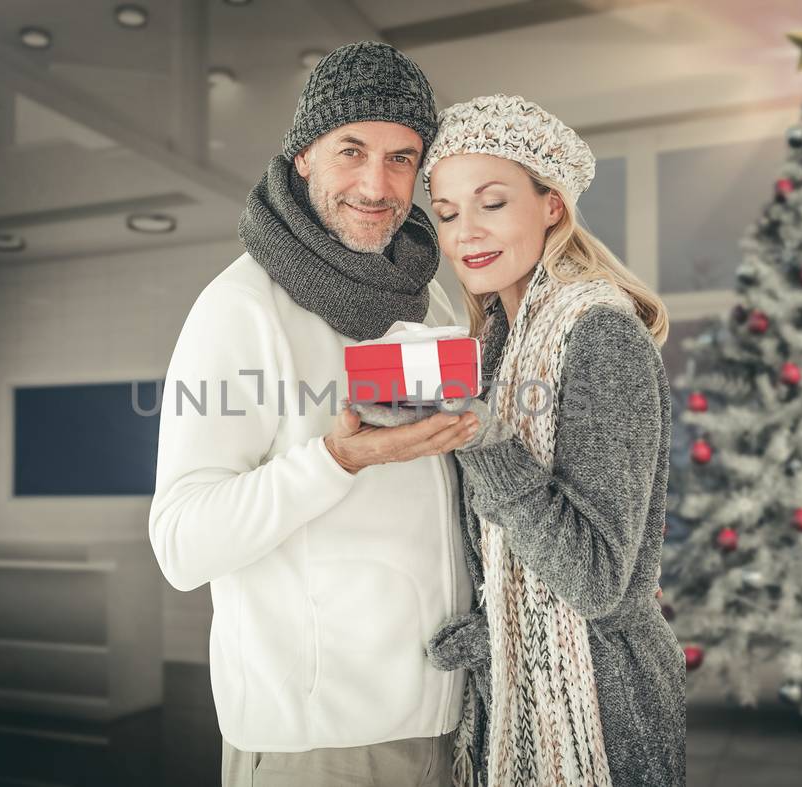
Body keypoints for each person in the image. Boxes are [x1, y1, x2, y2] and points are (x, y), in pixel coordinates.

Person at [147, 42, 482, 787]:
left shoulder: (426, 300)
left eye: (402, 157)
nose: (376, 182)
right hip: (320, 742)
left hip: (442, 717)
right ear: (303, 155)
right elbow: (180, 542)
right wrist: (337, 460)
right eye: (351, 150)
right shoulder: (240, 307)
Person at [419, 94, 687, 786]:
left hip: (605, 714)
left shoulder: (599, 336)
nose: (465, 233)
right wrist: (497, 634)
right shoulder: (498, 348)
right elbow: (519, 551)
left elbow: (599, 580)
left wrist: (481, 436)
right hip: (519, 695)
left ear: (552, 206)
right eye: (446, 212)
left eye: (492, 202)